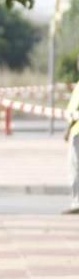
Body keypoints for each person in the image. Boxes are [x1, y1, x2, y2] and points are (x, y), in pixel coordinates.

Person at [64, 79, 79, 215]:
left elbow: (73, 113)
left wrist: (68, 129)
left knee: (74, 168)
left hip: (77, 133)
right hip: (75, 131)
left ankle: (77, 202)